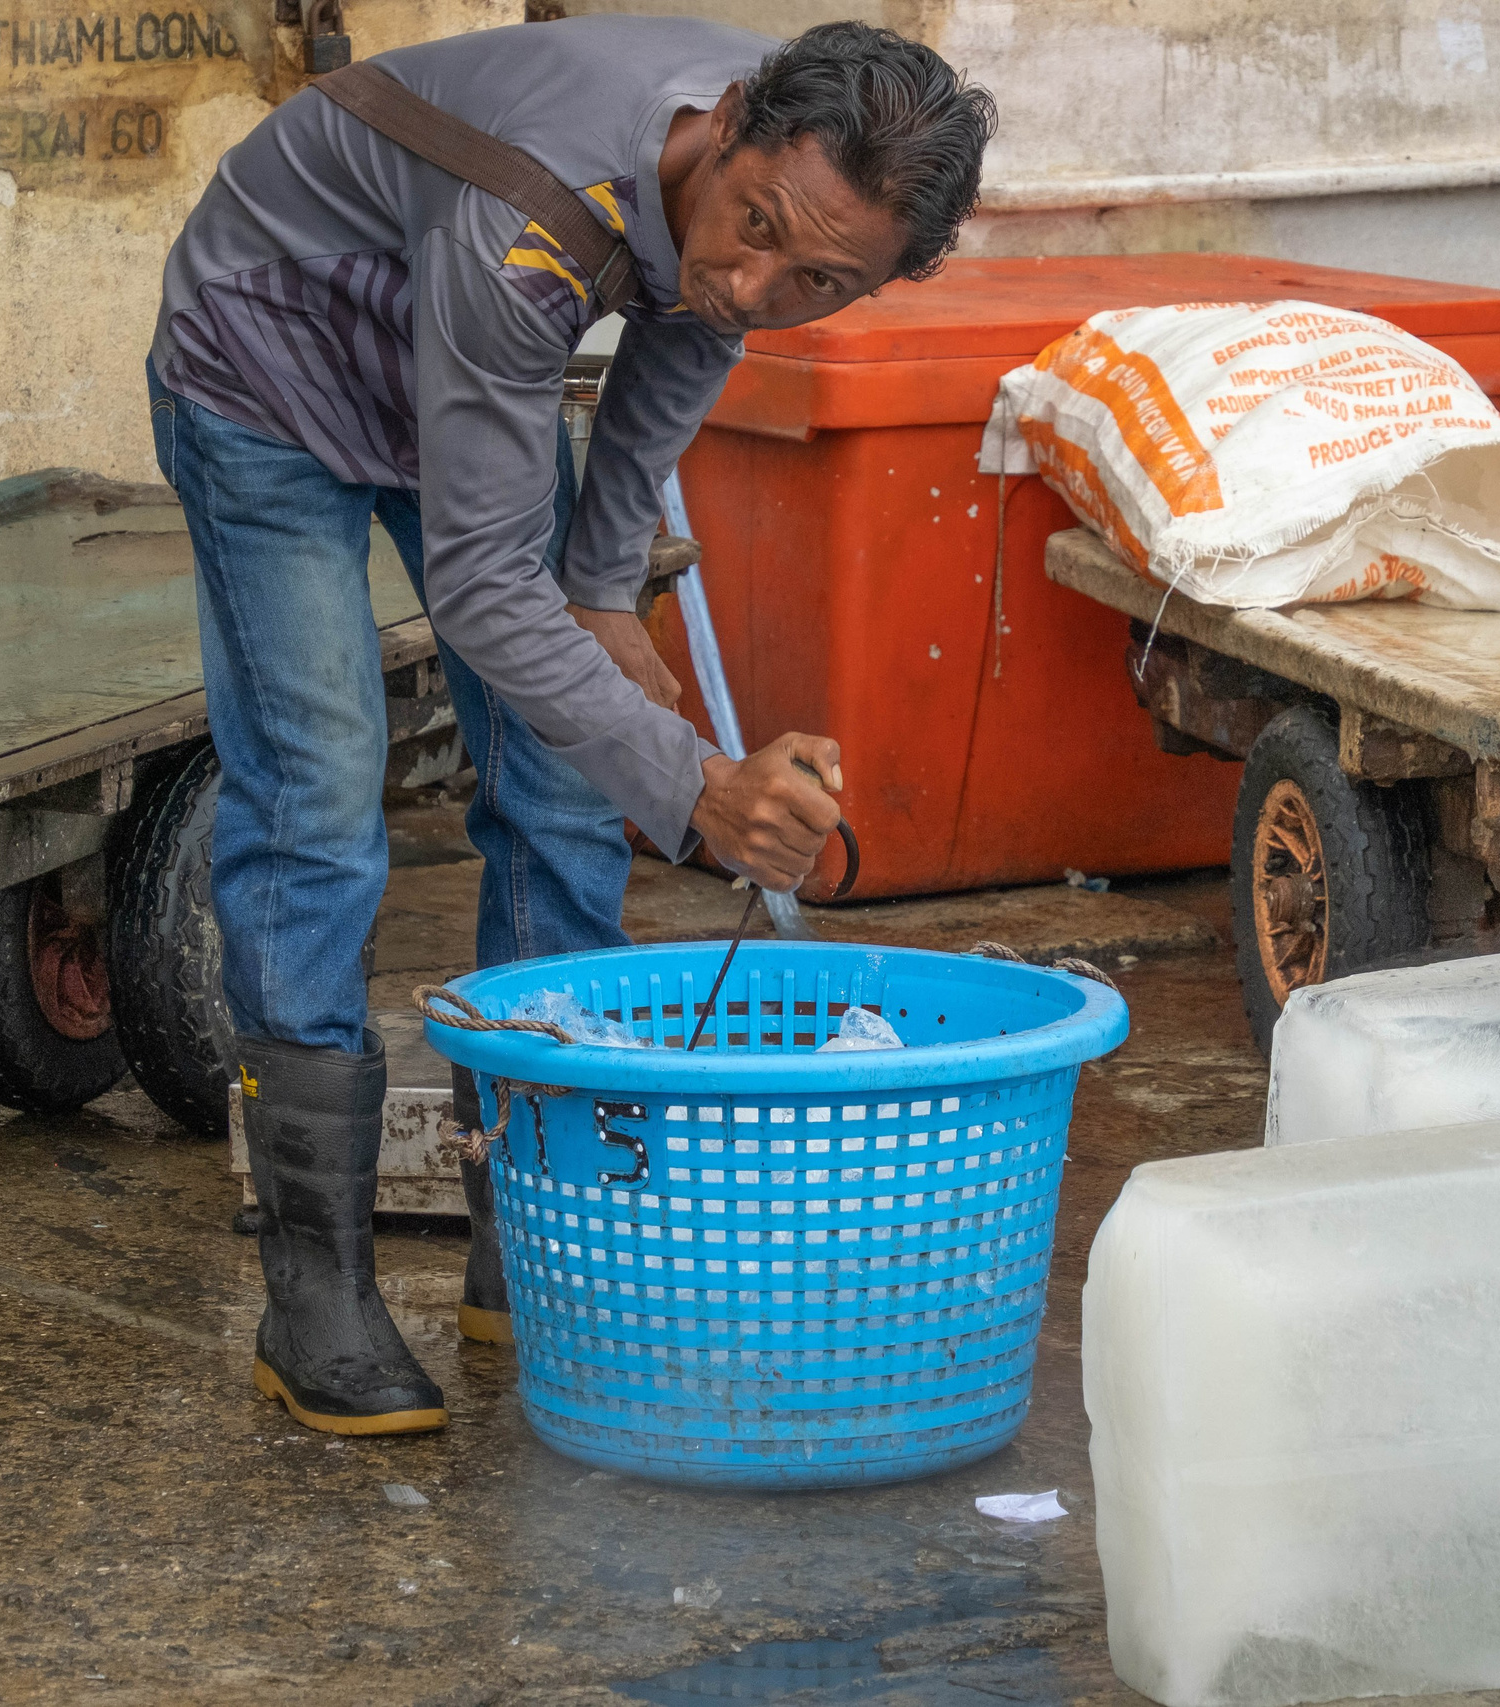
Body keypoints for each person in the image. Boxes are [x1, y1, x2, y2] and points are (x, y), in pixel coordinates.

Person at [147, 17, 994, 1434]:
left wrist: (602, 587)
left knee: (553, 771)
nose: (758, 281)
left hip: (465, 371)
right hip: (272, 355)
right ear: (728, 126)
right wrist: (701, 786)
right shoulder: (535, 218)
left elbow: (686, 335)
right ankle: (317, 1300)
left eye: (823, 283)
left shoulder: (762, 201)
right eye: (756, 226)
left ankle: (531, 1252)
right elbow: (482, 588)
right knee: (322, 784)